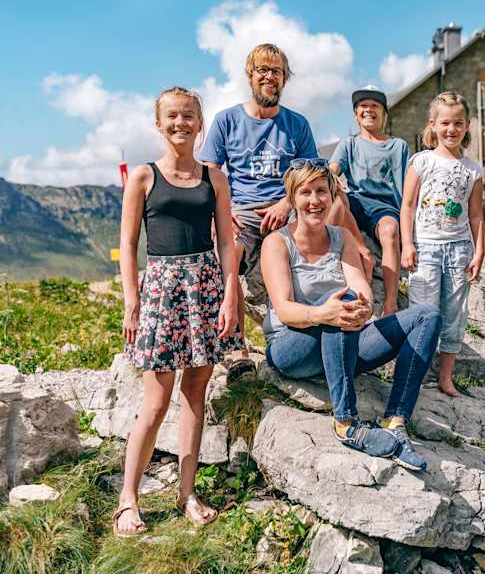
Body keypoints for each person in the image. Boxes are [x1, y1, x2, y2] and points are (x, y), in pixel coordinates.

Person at [261, 159, 442, 471]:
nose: (314, 201)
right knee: (339, 308)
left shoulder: (341, 237)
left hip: (343, 343)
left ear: (333, 196)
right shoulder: (277, 243)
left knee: (427, 316)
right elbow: (285, 309)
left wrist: (363, 305)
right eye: (305, 193)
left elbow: (361, 287)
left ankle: (395, 420)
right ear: (292, 200)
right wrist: (323, 312)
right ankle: (346, 422)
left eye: (321, 191)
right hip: (292, 348)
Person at [116, 87, 241, 536]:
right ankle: (128, 499)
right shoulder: (144, 177)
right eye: (171, 117)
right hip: (162, 290)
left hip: (206, 286)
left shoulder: (214, 177)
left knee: (195, 393)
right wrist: (133, 302)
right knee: (156, 398)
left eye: (188, 116)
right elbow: (129, 246)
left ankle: (187, 493)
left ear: (200, 122)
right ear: (158, 123)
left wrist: (230, 293)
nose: (180, 124)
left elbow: (227, 241)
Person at [199, 43, 322, 378]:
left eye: (277, 71)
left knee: (312, 240)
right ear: (250, 75)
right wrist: (221, 212)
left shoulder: (297, 124)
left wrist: (286, 203)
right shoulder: (227, 120)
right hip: (242, 209)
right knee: (226, 252)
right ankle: (236, 346)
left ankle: (303, 337)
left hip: (286, 208)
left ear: (284, 78)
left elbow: (308, 174)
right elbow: (210, 171)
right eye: (263, 70)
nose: (270, 77)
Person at [400, 92, 485, 397]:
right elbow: (407, 206)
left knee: (454, 314)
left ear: (467, 125)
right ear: (433, 124)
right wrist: (407, 244)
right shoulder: (421, 161)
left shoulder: (474, 169)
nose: (451, 129)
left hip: (459, 249)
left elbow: (476, 214)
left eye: (458, 123)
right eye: (445, 123)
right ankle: (416, 373)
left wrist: (479, 251)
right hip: (426, 247)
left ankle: (445, 377)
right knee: (423, 312)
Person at [330, 86, 408, 316]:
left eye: (375, 106)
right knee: (334, 202)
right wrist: (332, 177)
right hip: (355, 202)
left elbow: (405, 190)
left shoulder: (397, 146)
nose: (369, 110)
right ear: (356, 113)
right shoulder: (349, 144)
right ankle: (342, 266)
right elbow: (332, 170)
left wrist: (408, 231)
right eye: (363, 106)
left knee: (389, 230)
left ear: (384, 113)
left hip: (384, 208)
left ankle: (390, 302)